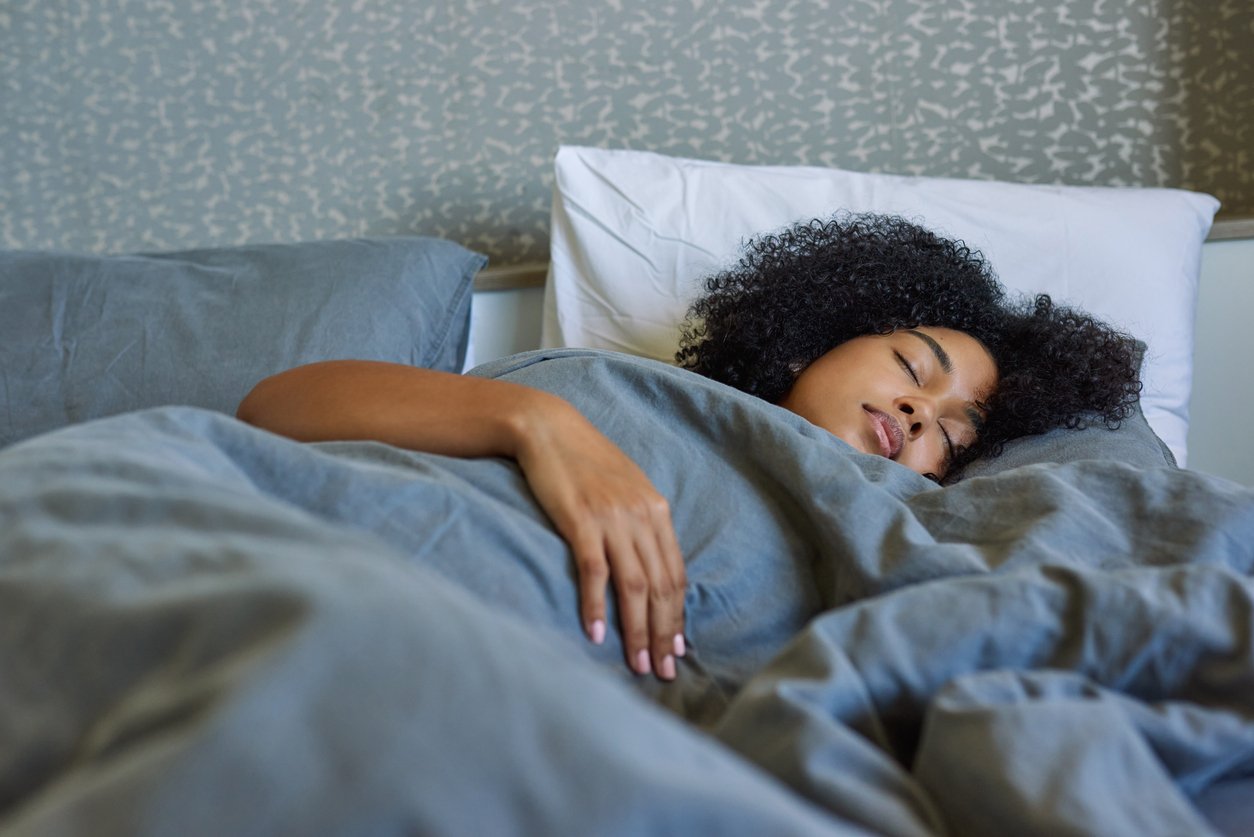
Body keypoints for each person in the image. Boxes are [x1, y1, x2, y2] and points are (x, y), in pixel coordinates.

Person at [237, 212, 1141, 684]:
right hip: (319, 561)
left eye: (951, 432)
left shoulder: (894, 525)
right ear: (815, 337)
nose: (918, 409)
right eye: (914, 365)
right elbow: (275, 407)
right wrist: (540, 424)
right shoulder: (601, 385)